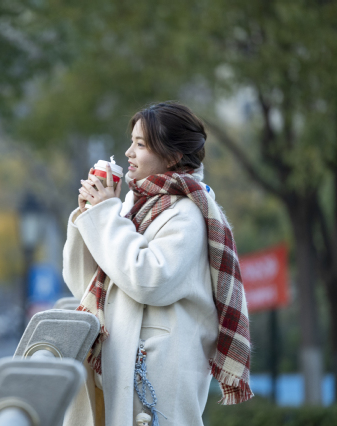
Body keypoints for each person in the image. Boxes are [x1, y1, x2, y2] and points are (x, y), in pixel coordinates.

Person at [62, 102, 254, 426]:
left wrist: (106, 216)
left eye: (140, 144)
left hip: (156, 373)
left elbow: (148, 280)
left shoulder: (189, 213)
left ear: (173, 156)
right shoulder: (135, 205)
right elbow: (82, 283)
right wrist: (89, 216)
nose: (128, 153)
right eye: (132, 142)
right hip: (120, 364)